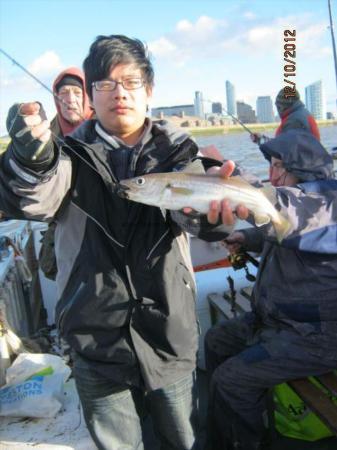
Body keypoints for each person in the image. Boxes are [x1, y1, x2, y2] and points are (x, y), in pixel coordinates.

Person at [0, 35, 244, 450]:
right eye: (107, 84)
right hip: (95, 337)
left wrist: (218, 218)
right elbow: (32, 194)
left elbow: (204, 224)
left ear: (149, 91)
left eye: (131, 82)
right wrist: (30, 156)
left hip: (170, 331)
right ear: (92, 95)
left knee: (183, 440)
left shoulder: (181, 153)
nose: (120, 94)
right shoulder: (65, 157)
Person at [204, 130, 337, 450]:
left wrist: (226, 172)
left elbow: (282, 210)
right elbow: (285, 232)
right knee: (216, 340)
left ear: (303, 170)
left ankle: (246, 443)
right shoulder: (304, 206)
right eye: (271, 165)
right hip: (276, 321)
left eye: (279, 166)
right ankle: (232, 421)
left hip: (315, 337)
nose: (272, 175)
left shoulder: (325, 202)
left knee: (230, 381)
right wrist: (246, 239)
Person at [39, 67, 93, 281]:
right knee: (53, 269)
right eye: (63, 94)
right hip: (64, 219)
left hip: (101, 220)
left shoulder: (105, 125)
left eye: (77, 93)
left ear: (87, 96)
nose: (70, 100)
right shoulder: (45, 134)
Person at [251, 88, 320, 145]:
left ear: (282, 106)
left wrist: (261, 141)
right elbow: (282, 145)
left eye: (278, 106)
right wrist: (260, 139)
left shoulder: (294, 121)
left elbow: (282, 151)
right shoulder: (301, 114)